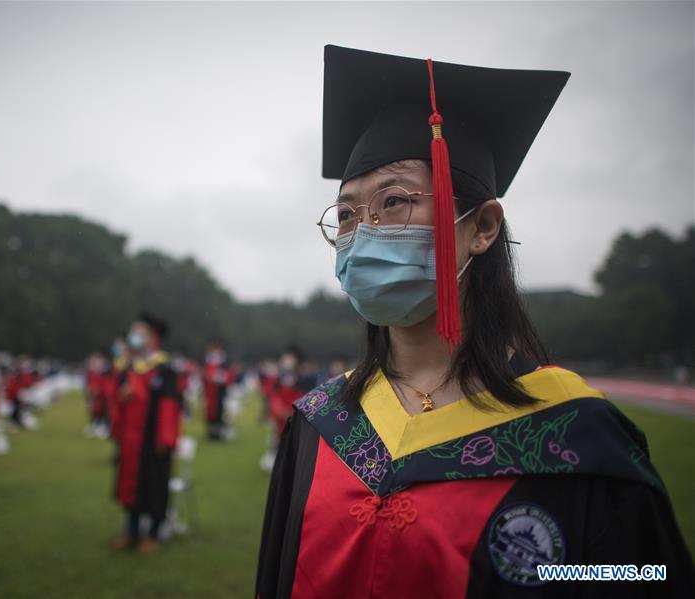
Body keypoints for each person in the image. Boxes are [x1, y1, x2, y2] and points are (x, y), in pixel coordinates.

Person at [255, 45, 694, 598]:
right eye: (345, 214)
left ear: (483, 227)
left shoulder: (578, 438)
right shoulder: (320, 425)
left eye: (394, 200)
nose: (362, 231)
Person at [112, 314, 183, 553]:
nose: (134, 336)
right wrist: (122, 397)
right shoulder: (131, 367)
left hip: (154, 440)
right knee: (132, 484)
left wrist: (165, 438)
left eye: (139, 332)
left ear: (153, 336)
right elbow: (120, 399)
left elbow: (170, 406)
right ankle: (131, 531)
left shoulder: (165, 369)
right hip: (133, 439)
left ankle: (153, 532)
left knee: (154, 486)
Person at [202, 340, 232, 440]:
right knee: (211, 410)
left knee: (219, 410)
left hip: (219, 389)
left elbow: (227, 374)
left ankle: (218, 432)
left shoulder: (223, 360)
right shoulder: (208, 360)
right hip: (211, 390)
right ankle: (212, 432)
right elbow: (205, 373)